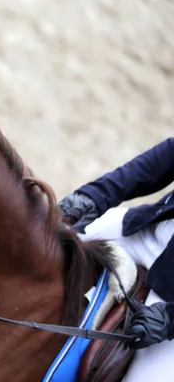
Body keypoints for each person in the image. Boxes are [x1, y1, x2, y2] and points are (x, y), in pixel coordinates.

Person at [58, 137, 174, 380]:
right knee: (53, 235)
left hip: (170, 297)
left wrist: (170, 319)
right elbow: (159, 161)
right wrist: (93, 197)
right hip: (146, 229)